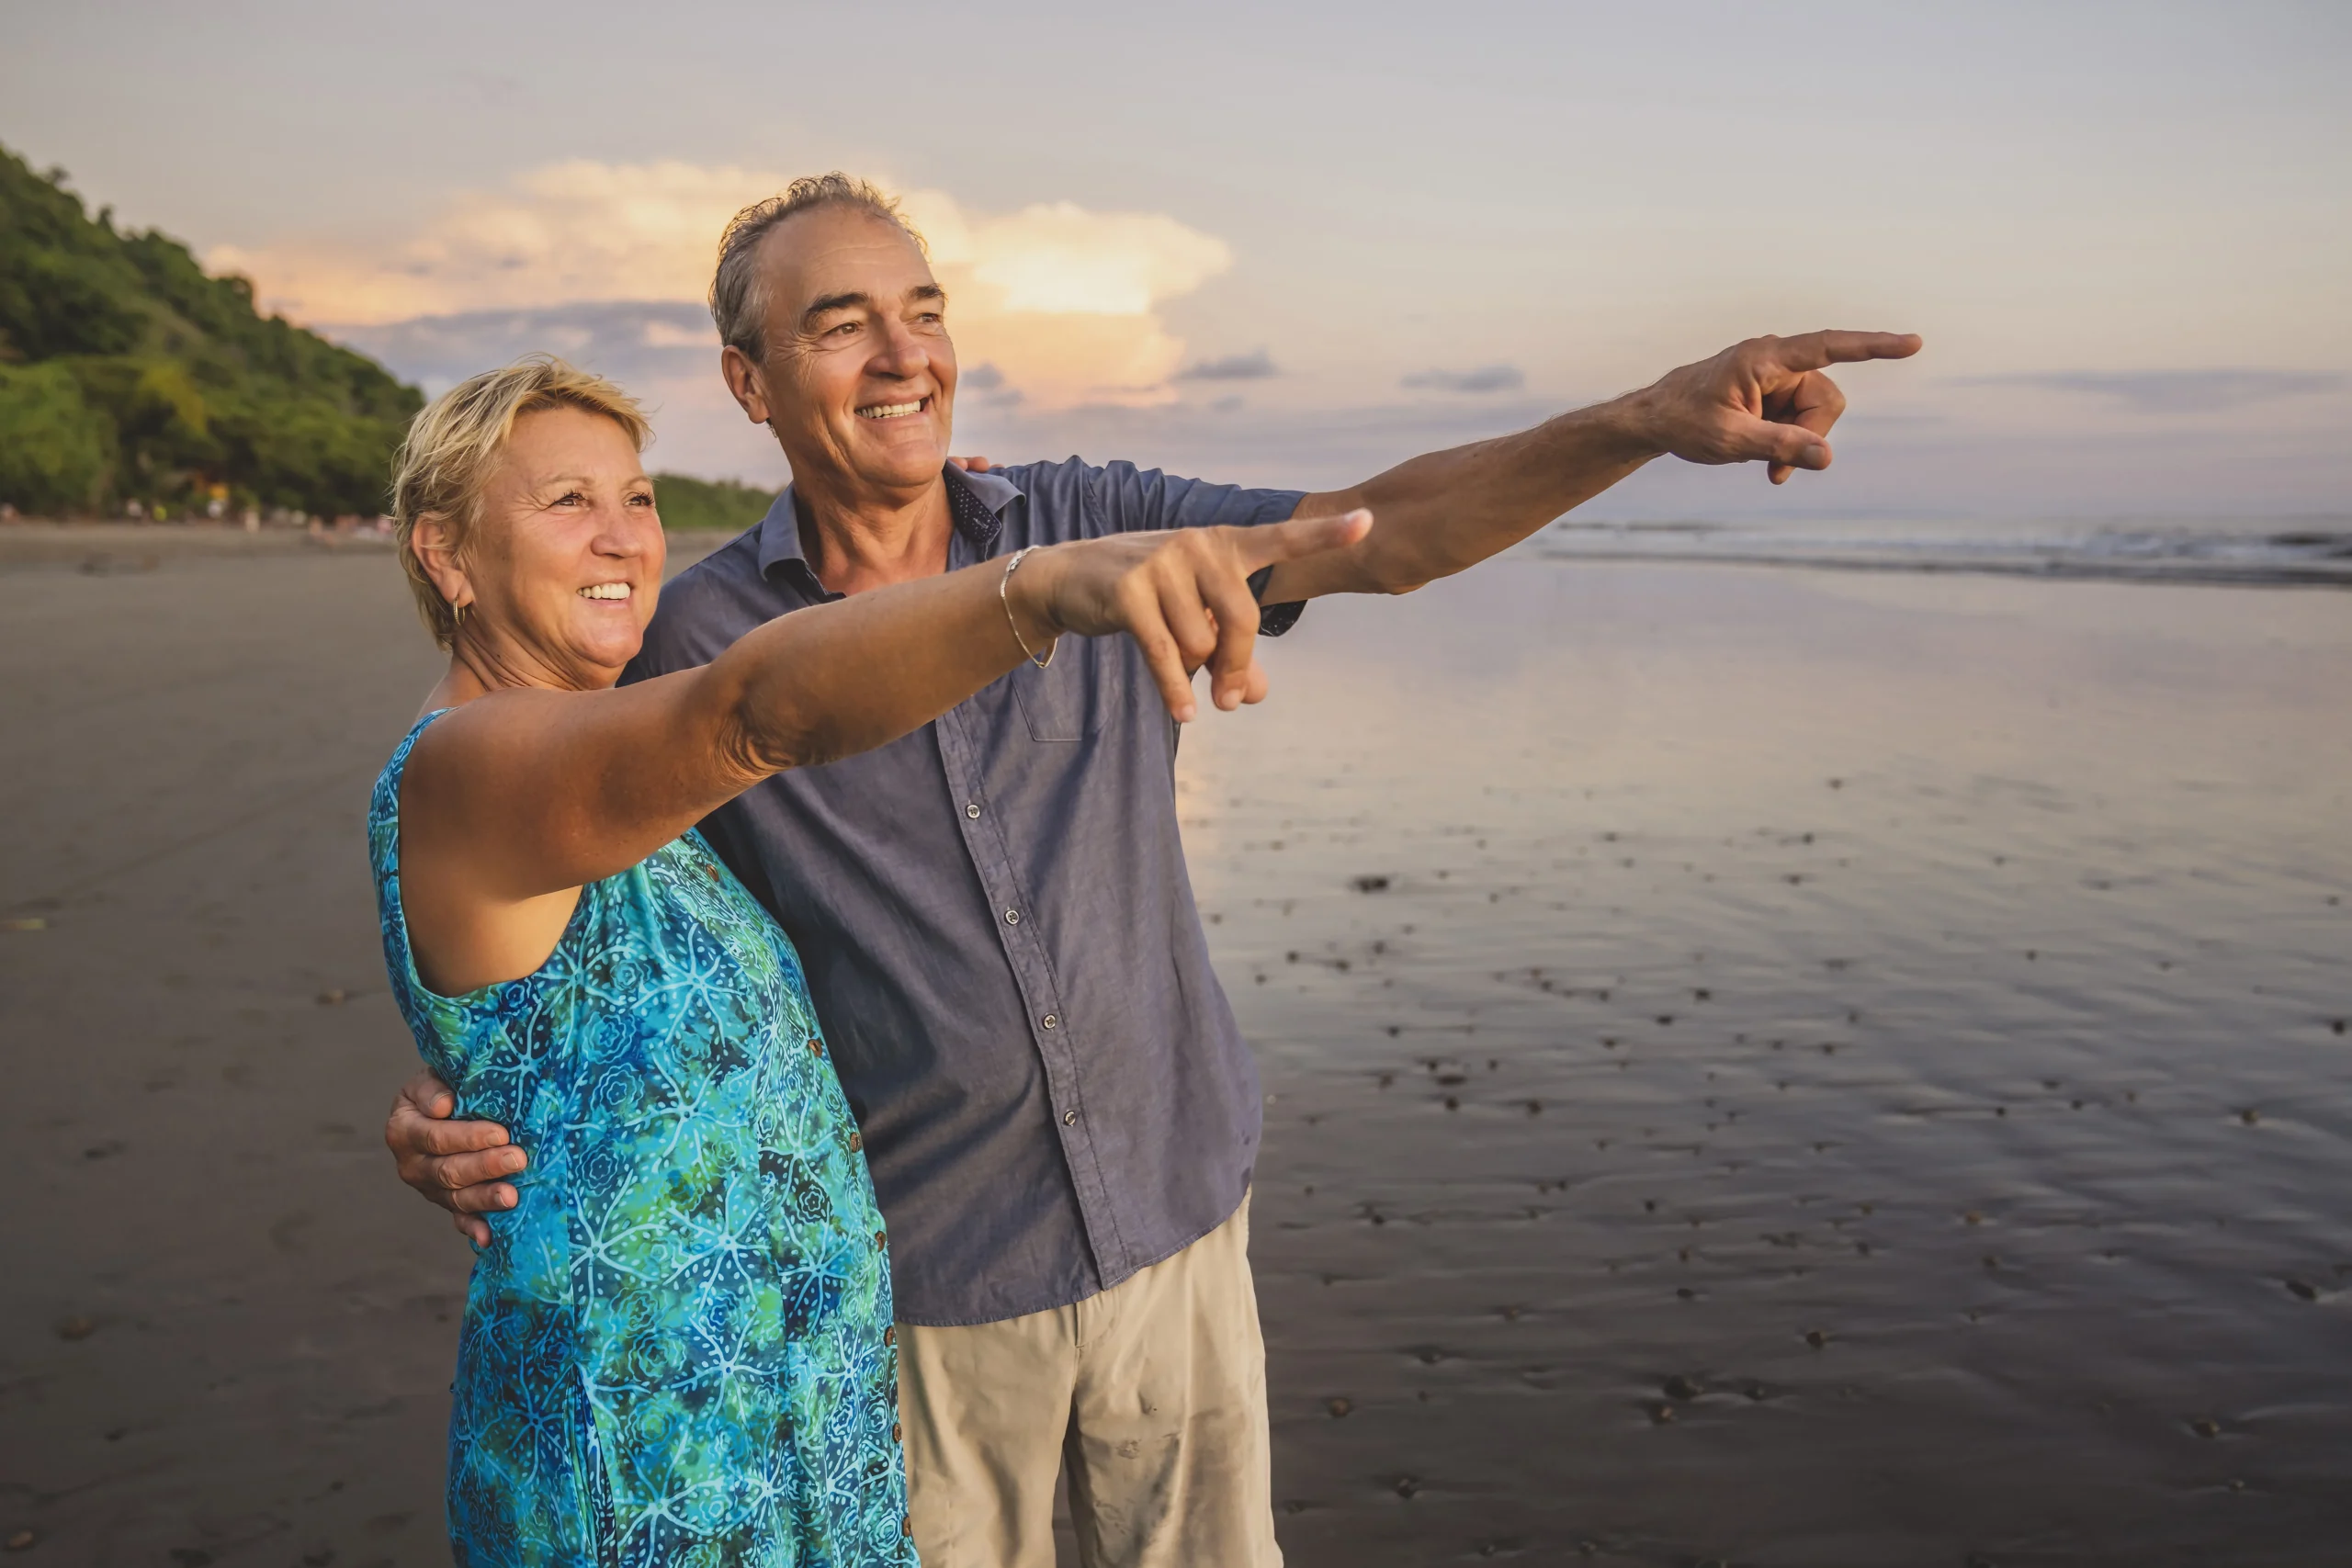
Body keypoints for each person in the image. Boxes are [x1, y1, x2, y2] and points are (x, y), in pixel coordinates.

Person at [385, 175, 1921, 1568]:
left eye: (924, 312)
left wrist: (1641, 419)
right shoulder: (688, 641)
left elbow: (1387, 534)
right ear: (752, 382)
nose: (905, 355)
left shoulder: (1095, 514)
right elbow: (513, 867)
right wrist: (455, 1097)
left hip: (1177, 1229)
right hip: (919, 1298)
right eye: (841, 326)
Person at [370, 354, 1364, 1566]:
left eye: (635, 497)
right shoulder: (463, 765)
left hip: (790, 1417)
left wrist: (460, 1101)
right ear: (446, 554)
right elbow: (753, 710)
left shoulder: (613, 765)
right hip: (644, 1452)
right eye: (566, 502)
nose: (626, 537)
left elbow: (555, 1018)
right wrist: (1031, 583)